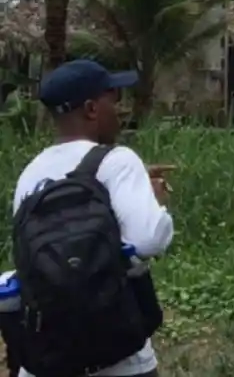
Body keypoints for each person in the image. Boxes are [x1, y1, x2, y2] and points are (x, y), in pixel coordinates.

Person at [11, 59, 174, 377]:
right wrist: (153, 202)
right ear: (91, 109)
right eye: (113, 100)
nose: (121, 109)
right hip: (122, 358)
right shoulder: (119, 160)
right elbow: (150, 239)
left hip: (49, 358)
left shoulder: (31, 174)